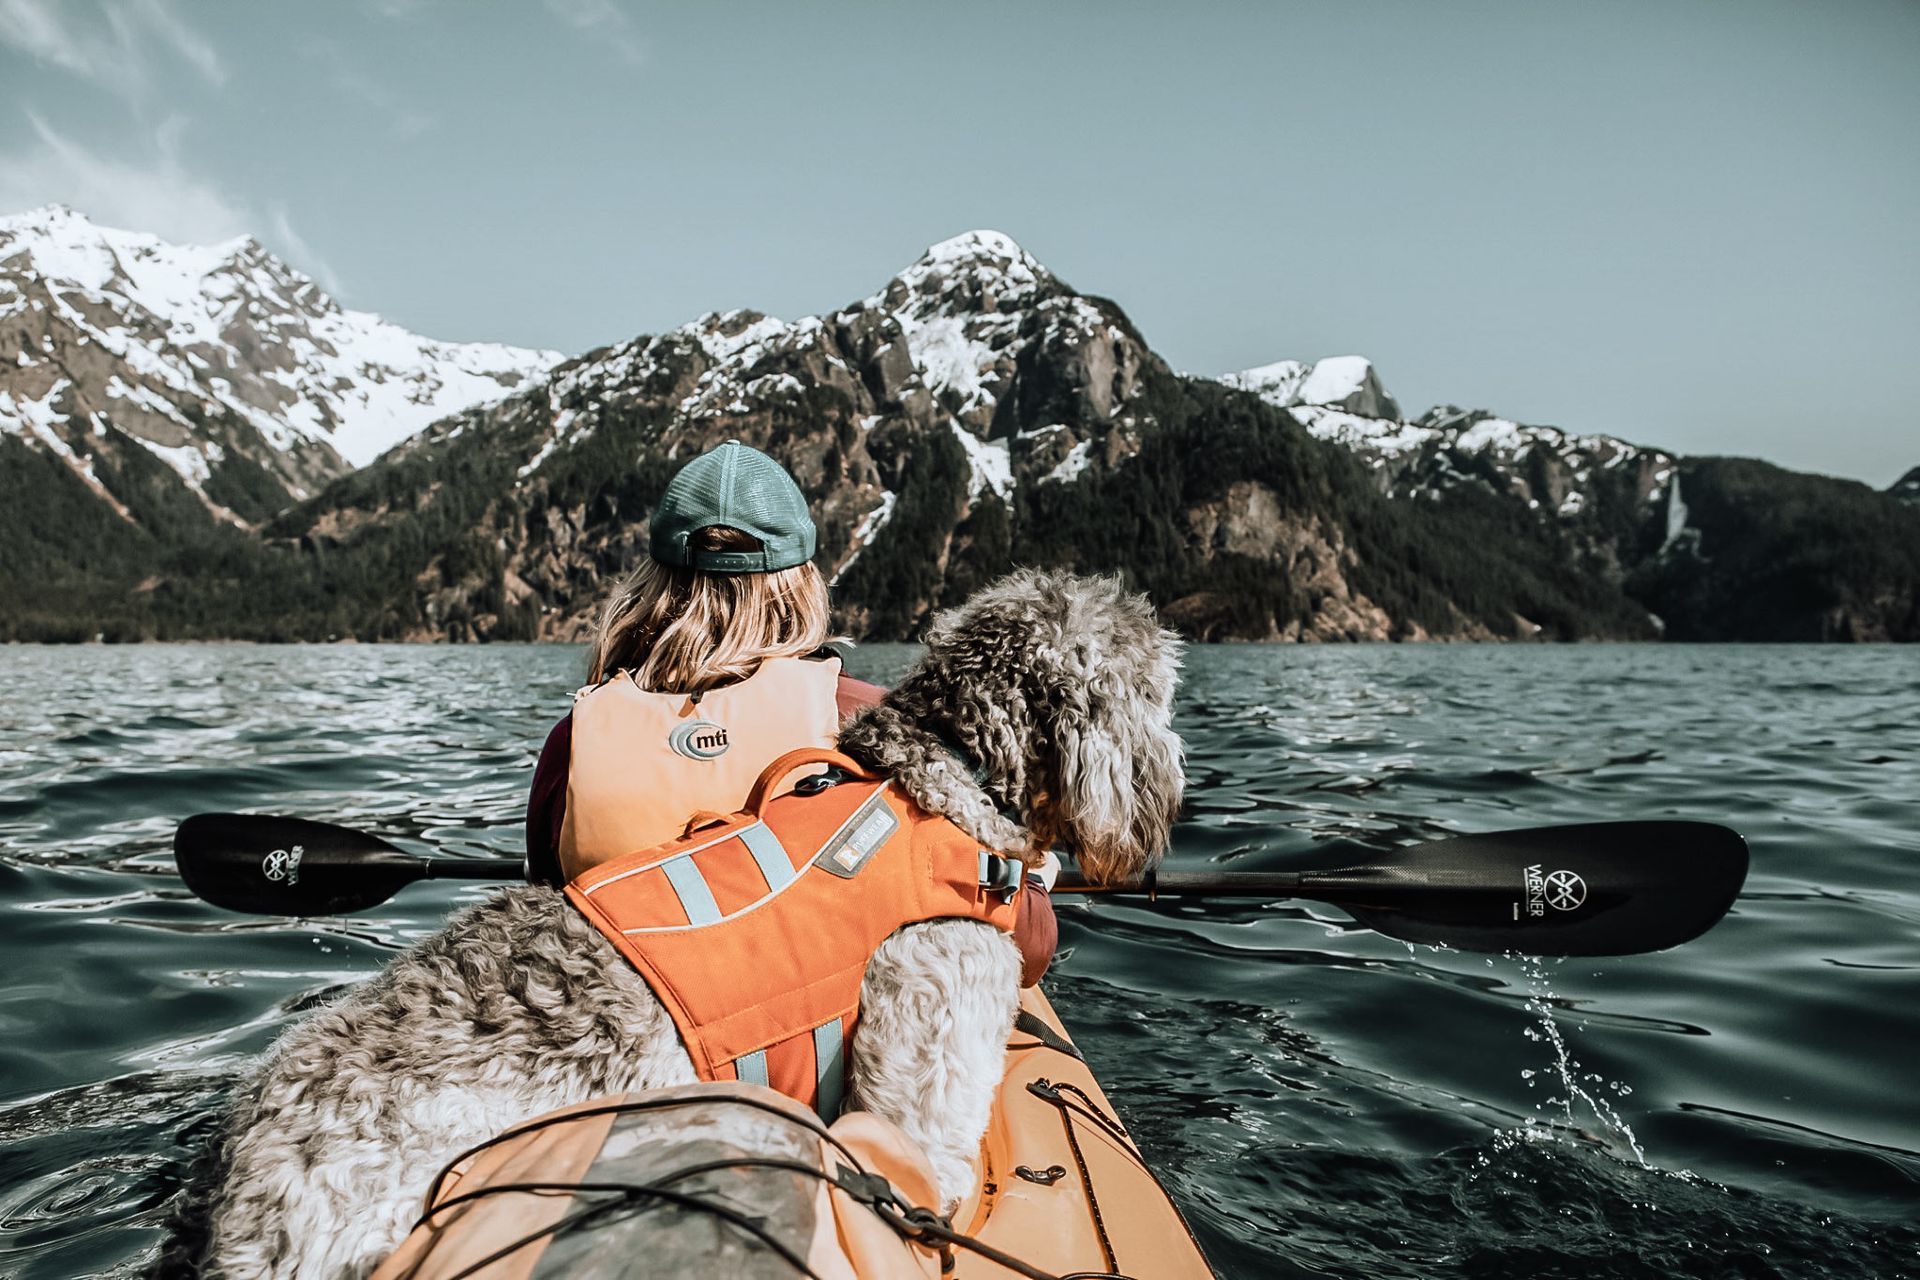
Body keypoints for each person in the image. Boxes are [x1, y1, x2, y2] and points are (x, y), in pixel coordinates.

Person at [524, 439, 1056, 983]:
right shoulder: (867, 721)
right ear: (799, 586)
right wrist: (1032, 877)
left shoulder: (576, 740)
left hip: (629, 1048)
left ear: (652, 585)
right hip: (806, 1058)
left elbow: (547, 914)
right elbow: (1028, 947)